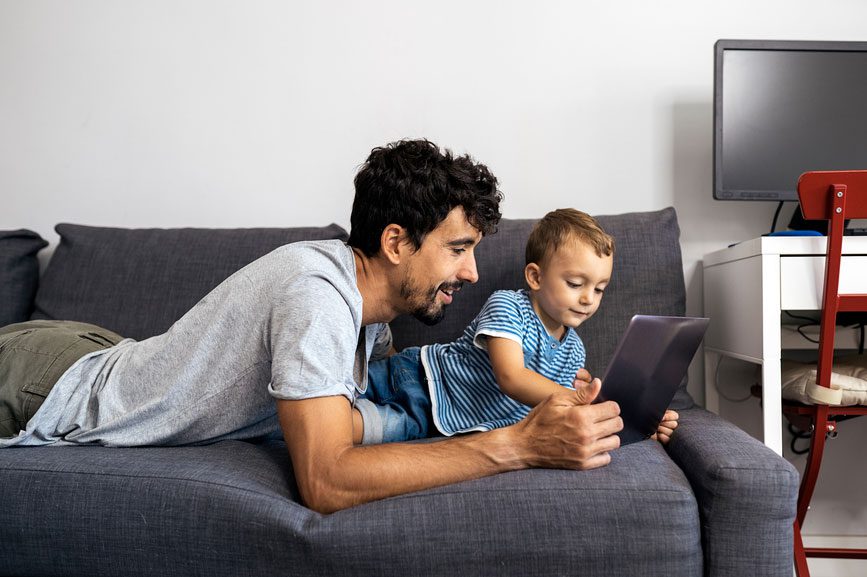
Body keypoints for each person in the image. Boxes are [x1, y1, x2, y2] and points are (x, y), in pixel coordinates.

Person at [0, 139, 623, 513]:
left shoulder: (369, 314)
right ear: (396, 241)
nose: (471, 272)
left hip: (106, 352)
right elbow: (327, 480)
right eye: (457, 248)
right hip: (48, 378)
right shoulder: (318, 297)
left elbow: (364, 415)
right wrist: (516, 447)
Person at [352, 208, 679, 445]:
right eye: (576, 283)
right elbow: (512, 377)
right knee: (343, 390)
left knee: (357, 430)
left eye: (598, 289)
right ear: (535, 277)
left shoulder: (574, 348)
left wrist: (632, 419)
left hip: (437, 423)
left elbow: (560, 409)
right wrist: (582, 398)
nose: (588, 299)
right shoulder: (509, 307)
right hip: (421, 381)